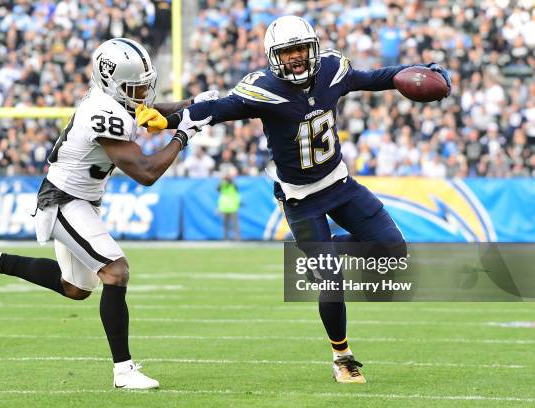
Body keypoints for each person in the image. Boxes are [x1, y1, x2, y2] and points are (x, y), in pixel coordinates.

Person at [138, 16, 451, 383]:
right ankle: (343, 358)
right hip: (301, 200)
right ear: (274, 57)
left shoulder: (333, 70)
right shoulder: (263, 91)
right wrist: (170, 119)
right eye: (288, 53)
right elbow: (215, 109)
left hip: (340, 184)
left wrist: (421, 71)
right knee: (331, 281)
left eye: (301, 49)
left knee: (392, 250)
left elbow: (378, 77)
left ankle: (321, 251)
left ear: (313, 48)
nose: (297, 58)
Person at [0, 38, 213, 390]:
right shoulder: (104, 113)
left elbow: (151, 114)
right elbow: (146, 172)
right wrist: (183, 134)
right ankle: (123, 370)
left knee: (75, 288)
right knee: (116, 272)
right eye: (135, 87)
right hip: (63, 200)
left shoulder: (111, 100)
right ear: (112, 82)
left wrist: (192, 105)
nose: (143, 93)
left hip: (81, 200)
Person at [217, 169, 241, 240]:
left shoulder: (232, 183)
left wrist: (230, 180)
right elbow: (217, 188)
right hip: (225, 206)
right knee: (225, 223)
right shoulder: (222, 183)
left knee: (234, 223)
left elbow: (236, 188)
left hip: (232, 205)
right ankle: (225, 237)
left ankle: (237, 237)